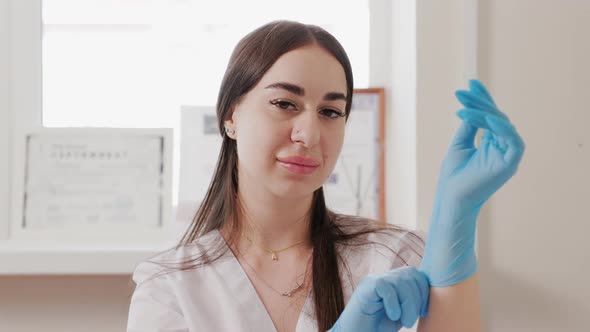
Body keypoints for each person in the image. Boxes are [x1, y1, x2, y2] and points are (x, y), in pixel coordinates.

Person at [126, 20, 525, 332]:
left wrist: (456, 216)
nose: (310, 134)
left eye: (331, 112)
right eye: (285, 103)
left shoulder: (395, 258)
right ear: (231, 115)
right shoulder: (171, 287)